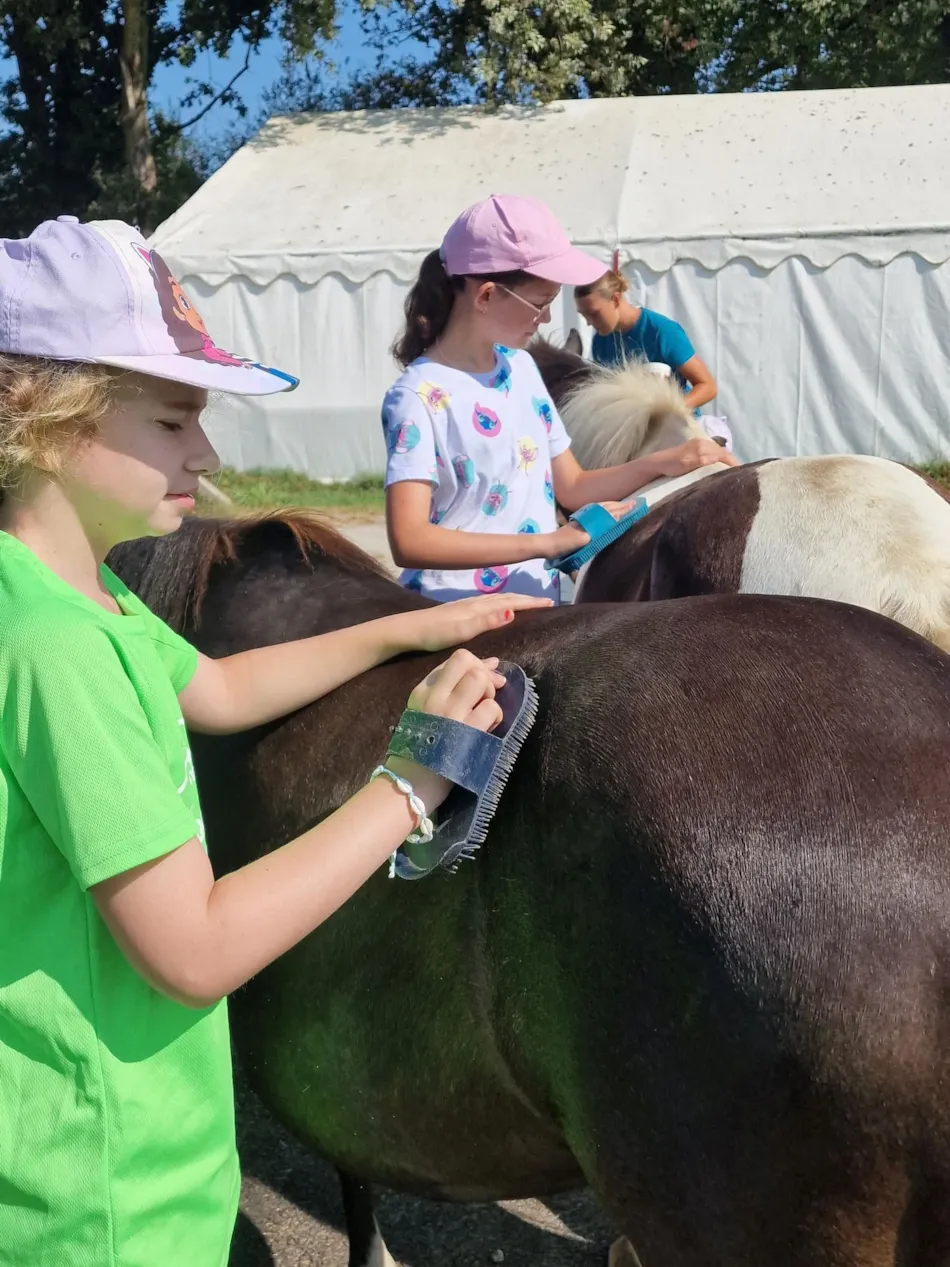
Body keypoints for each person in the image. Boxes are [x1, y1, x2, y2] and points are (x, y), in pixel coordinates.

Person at [0, 216, 551, 1267]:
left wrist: (400, 625)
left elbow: (212, 687)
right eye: (172, 421)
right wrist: (410, 781)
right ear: (42, 418)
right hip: (104, 1203)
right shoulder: (55, 649)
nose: (205, 455)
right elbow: (195, 951)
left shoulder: (77, 594)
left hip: (114, 1154)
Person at [383, 194, 736, 604]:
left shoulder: (522, 371)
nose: (546, 320)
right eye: (539, 304)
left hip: (533, 607)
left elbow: (572, 487)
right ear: (485, 296)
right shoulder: (417, 396)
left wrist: (667, 460)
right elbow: (409, 540)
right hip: (451, 614)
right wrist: (549, 544)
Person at [573, 269, 718, 414]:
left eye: (594, 314)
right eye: (584, 315)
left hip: (678, 429)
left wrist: (668, 411)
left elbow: (707, 387)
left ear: (615, 300)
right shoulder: (600, 340)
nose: (588, 323)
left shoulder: (663, 331)